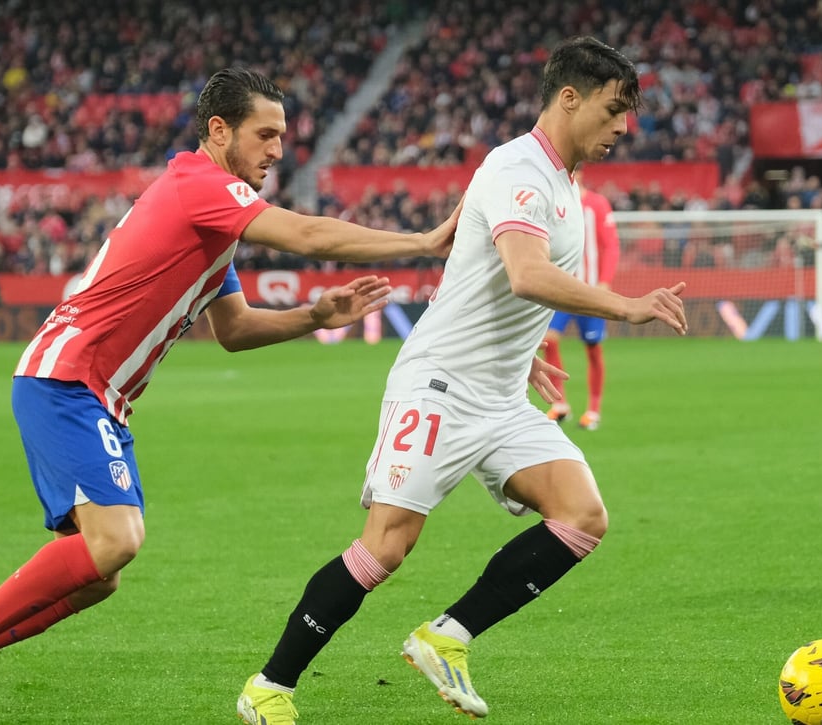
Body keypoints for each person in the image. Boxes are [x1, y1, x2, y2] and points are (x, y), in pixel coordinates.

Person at [0, 67, 459, 724]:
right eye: (265, 134)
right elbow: (303, 235)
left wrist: (312, 316)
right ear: (219, 131)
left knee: (101, 574)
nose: (278, 149)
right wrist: (422, 242)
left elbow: (235, 330)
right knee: (117, 539)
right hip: (65, 377)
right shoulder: (200, 185)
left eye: (282, 136)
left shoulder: (216, 217)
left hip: (93, 394)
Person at [236, 36, 687, 725]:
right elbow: (527, 273)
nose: (625, 126)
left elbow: (502, 284)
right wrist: (624, 303)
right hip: (440, 386)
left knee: (583, 515)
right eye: (614, 108)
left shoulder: (567, 182)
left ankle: (446, 635)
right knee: (386, 545)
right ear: (570, 98)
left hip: (500, 394)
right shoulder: (517, 169)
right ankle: (269, 686)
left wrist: (524, 344)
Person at [540, 167, 619, 429]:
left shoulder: (597, 204)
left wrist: (605, 281)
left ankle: (594, 410)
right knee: (549, 341)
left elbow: (610, 245)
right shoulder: (553, 204)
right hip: (562, 289)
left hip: (590, 290)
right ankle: (560, 404)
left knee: (593, 348)